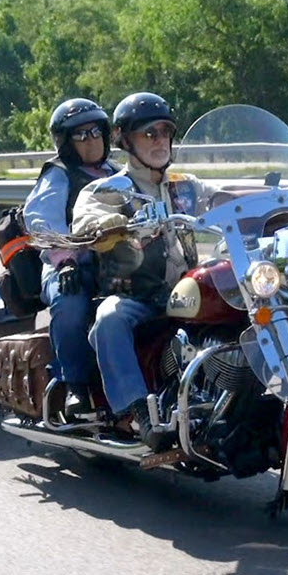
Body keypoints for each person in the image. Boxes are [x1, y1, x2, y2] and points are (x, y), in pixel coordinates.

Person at [71, 92, 217, 450]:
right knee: (109, 317)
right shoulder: (109, 188)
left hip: (185, 291)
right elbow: (84, 220)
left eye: (165, 132)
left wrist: (277, 197)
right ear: (125, 140)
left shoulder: (185, 185)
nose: (160, 141)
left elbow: (224, 197)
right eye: (149, 134)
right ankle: (137, 411)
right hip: (136, 295)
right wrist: (115, 222)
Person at [23, 97, 120, 419]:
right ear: (66, 142)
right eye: (81, 135)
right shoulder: (59, 175)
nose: (91, 140)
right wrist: (65, 260)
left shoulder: (118, 174)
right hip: (67, 266)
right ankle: (74, 385)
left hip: (117, 264)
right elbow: (40, 220)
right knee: (71, 303)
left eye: (95, 132)